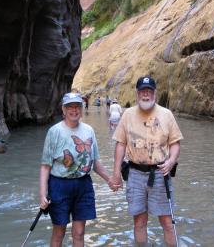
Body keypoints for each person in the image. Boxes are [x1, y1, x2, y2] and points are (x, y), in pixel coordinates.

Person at [110, 76, 183, 246]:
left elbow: (175, 143)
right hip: (134, 175)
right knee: (139, 222)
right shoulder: (127, 115)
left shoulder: (166, 114)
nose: (145, 95)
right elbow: (120, 144)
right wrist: (116, 173)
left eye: (149, 91)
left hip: (160, 174)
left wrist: (171, 160)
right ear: (137, 94)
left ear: (154, 93)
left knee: (167, 222)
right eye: (142, 91)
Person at [39, 92, 113, 247]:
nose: (74, 110)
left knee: (79, 233)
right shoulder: (54, 131)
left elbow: (95, 163)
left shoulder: (89, 130)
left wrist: (110, 179)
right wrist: (42, 194)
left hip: (83, 185)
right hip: (59, 185)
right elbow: (45, 166)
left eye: (77, 106)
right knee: (59, 231)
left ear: (82, 108)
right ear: (63, 110)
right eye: (70, 107)